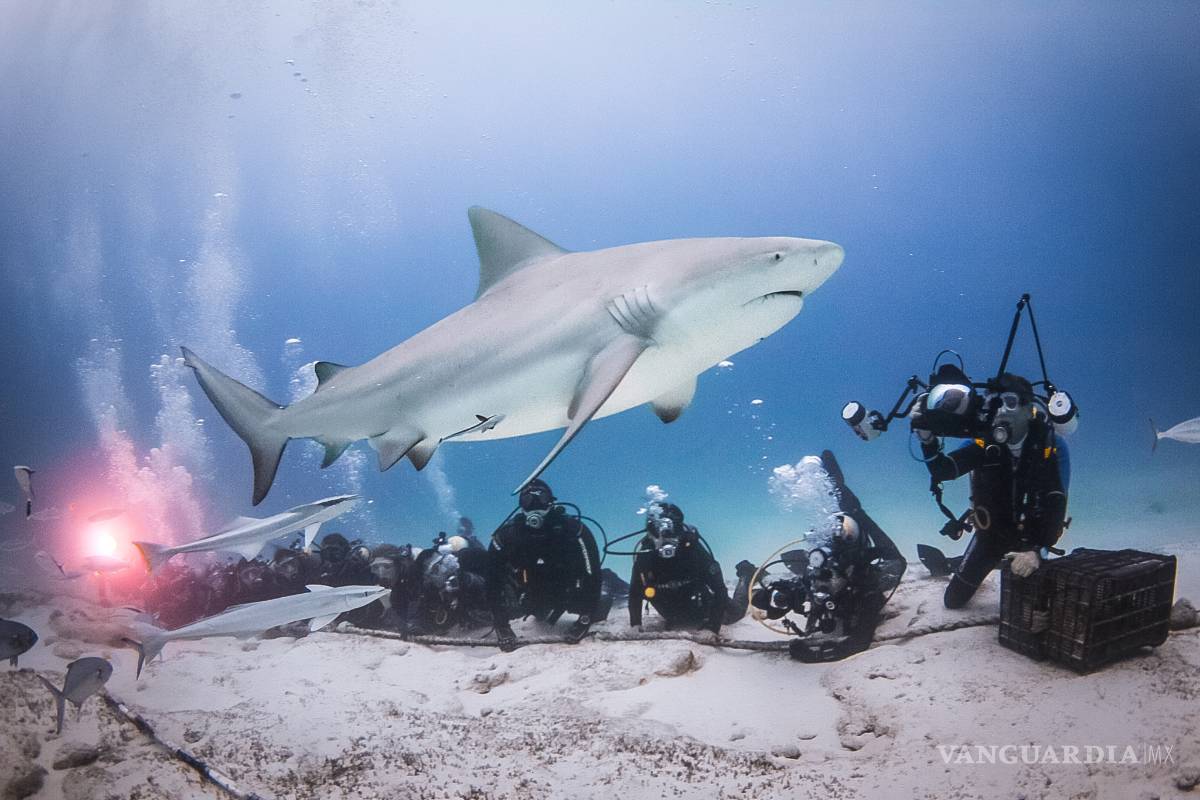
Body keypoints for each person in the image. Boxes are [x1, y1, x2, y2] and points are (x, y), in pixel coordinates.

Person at [914, 373, 1069, 609]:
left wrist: (1037, 551)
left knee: (1029, 610)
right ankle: (985, 562)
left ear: (1029, 410)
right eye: (995, 404)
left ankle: (1024, 558)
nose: (1002, 411)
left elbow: (1056, 502)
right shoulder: (985, 444)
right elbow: (944, 470)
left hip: (1032, 538)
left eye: (1011, 402)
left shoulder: (1047, 445)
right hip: (991, 537)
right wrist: (927, 440)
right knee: (952, 601)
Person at [751, 450, 907, 662]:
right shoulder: (816, 573)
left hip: (868, 573)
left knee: (894, 561)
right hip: (849, 560)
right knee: (801, 578)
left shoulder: (867, 583)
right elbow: (783, 597)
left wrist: (814, 655)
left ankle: (846, 498)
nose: (827, 575)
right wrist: (776, 598)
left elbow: (859, 642)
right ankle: (841, 493)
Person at [486, 479, 603, 651]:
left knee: (602, 594)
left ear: (551, 501)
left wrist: (586, 616)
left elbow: (592, 571)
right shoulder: (508, 536)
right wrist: (501, 624)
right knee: (534, 610)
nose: (534, 506)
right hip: (531, 595)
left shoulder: (572, 529)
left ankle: (603, 596)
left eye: (540, 498)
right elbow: (492, 580)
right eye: (527, 501)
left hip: (570, 592)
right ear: (521, 506)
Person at [627, 502, 755, 634]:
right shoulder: (645, 555)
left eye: (671, 534)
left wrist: (712, 627)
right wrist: (635, 623)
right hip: (671, 612)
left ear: (679, 530)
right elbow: (635, 593)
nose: (665, 541)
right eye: (658, 534)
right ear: (650, 533)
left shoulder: (693, 550)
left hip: (702, 606)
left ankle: (746, 574)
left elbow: (719, 590)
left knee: (737, 611)